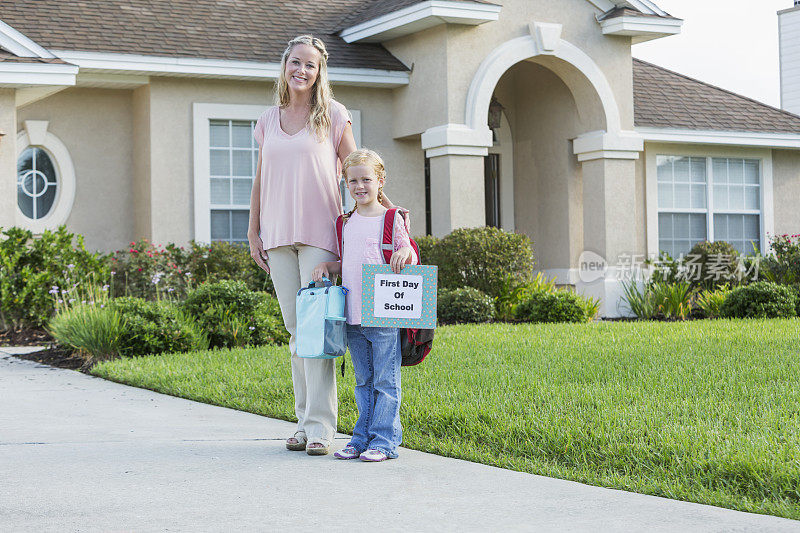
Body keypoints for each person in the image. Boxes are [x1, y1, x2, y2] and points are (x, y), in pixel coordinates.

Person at [311, 149, 416, 462]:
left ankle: (384, 442)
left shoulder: (391, 218)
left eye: (366, 179)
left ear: (380, 181)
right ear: (345, 183)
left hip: (382, 313)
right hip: (353, 314)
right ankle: (360, 439)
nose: (360, 185)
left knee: (386, 381)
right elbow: (350, 261)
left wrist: (405, 254)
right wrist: (330, 267)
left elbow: (407, 248)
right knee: (363, 381)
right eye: (353, 180)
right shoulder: (345, 222)